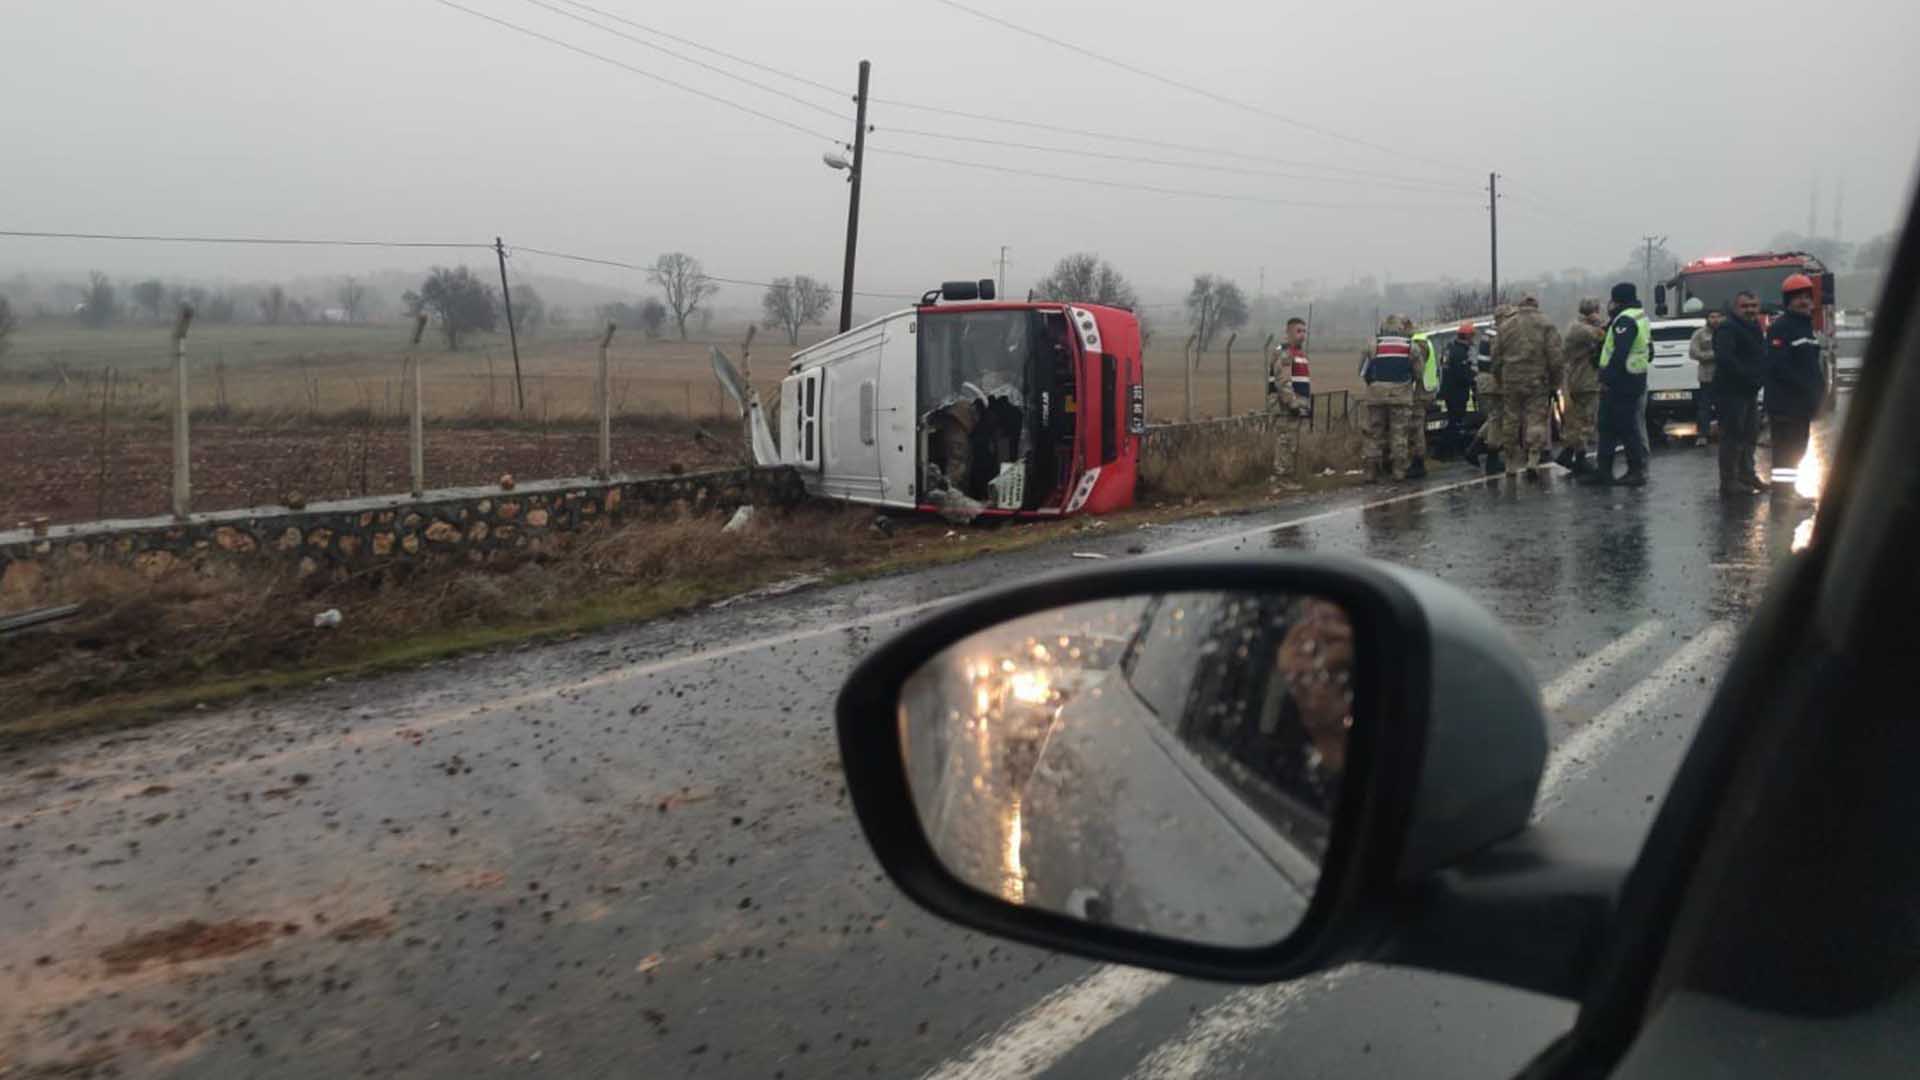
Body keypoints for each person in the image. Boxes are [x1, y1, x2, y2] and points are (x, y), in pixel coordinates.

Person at [1581, 282, 1652, 487]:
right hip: (1633, 378)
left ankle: (1635, 471)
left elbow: (1620, 352)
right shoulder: (1640, 317)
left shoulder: (1625, 320)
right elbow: (1649, 351)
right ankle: (1604, 472)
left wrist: (1607, 378)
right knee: (1607, 426)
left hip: (1622, 382)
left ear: (1617, 300)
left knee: (1625, 428)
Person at [1764, 274, 1826, 489]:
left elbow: (1810, 365)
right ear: (1787, 301)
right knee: (1786, 453)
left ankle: (1789, 492)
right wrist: (1806, 388)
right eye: (1797, 297)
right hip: (1785, 405)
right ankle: (1782, 495)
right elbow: (1779, 366)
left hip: (1800, 405)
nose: (1803, 301)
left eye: (1806, 297)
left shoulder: (1805, 326)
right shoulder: (1781, 327)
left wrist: (1818, 391)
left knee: (1797, 450)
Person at [1493, 293, 1563, 475]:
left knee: (1510, 419)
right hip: (1537, 380)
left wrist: (1500, 379)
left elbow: (1495, 358)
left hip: (1511, 379)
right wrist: (1556, 382)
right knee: (1536, 419)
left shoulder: (1506, 326)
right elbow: (1555, 358)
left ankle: (1510, 461)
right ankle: (1533, 457)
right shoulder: (1546, 324)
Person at [1711, 290, 1768, 496]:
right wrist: (1749, 377)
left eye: (1753, 306)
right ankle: (1729, 481)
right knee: (1732, 437)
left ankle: (1747, 475)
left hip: (1749, 391)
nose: (1750, 310)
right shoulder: (1727, 328)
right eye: (1745, 306)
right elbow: (1725, 359)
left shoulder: (1754, 327)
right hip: (1731, 391)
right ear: (1736, 308)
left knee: (1750, 435)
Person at [1358, 314, 1419, 480]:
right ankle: (1399, 470)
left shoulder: (1373, 345)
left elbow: (1362, 372)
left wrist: (1374, 384)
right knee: (1399, 433)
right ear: (1400, 328)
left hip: (1376, 395)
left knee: (1374, 433)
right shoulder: (1410, 346)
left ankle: (1370, 471)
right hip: (1401, 395)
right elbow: (1417, 373)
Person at [1557, 299, 1606, 476]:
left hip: (1578, 379)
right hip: (1584, 380)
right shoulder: (1580, 329)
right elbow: (1603, 335)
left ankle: (1570, 454)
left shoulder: (1575, 327)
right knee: (1586, 421)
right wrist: (1599, 322)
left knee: (1576, 422)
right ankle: (1579, 457)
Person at [1464, 305, 1515, 474]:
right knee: (1497, 418)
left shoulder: (1489, 333)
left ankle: (1475, 447)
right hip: (1494, 381)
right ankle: (1491, 457)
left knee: (1495, 416)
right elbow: (1499, 361)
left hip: (1486, 380)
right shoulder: (1498, 335)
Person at [1267, 318, 1312, 479]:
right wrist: (1292, 404)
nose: (1302, 335)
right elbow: (1283, 382)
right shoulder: (1284, 352)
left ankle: (1290, 477)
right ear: (1289, 332)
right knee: (1285, 443)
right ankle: (1281, 478)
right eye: (1298, 331)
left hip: (1298, 405)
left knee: (1292, 444)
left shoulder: (1299, 353)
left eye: (1304, 331)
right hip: (1285, 407)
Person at [1438, 322, 1477, 457]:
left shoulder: (1450, 349)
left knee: (1453, 421)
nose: (1473, 340)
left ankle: (1447, 450)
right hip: (1456, 392)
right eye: (1472, 336)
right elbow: (1462, 375)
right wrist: (1474, 379)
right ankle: (1445, 451)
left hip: (1449, 391)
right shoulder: (1460, 353)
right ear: (1467, 336)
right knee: (1455, 422)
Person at [1406, 328, 1439, 478]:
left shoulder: (1418, 344)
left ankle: (1418, 462)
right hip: (1427, 389)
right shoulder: (1425, 340)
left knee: (1416, 426)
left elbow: (1417, 371)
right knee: (1418, 424)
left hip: (1420, 391)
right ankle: (1418, 460)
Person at [1688, 308, 1722, 448]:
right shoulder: (1699, 334)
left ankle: (1724, 433)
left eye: (1718, 316)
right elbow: (1694, 353)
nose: (1715, 320)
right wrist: (1715, 355)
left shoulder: (1726, 333)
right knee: (1704, 407)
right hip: (1707, 376)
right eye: (1712, 317)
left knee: (1724, 406)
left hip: (1724, 376)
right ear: (1707, 319)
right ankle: (1702, 435)